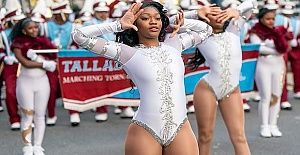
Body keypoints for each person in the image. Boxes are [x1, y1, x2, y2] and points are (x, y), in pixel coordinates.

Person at [72, 2, 216, 154]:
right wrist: (118, 25)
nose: (153, 22)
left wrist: (178, 19)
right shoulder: (125, 52)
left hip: (181, 128)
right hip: (145, 130)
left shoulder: (175, 44)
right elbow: (79, 36)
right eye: (146, 18)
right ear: (134, 22)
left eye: (157, 18)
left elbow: (207, 29)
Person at [185, 0, 256, 154]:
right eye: (212, 14)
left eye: (220, 13)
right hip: (207, 89)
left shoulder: (234, 28)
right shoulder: (200, 37)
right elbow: (170, 23)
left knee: (239, 137)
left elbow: (253, 3)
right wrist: (196, 13)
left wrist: (236, 10)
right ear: (205, 19)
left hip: (232, 90)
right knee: (205, 137)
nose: (218, 17)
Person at [10, 18, 57, 155]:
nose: (34, 30)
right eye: (30, 28)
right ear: (24, 30)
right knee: (27, 115)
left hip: (42, 82)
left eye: (35, 27)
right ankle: (27, 146)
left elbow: (54, 57)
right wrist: (42, 63)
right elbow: (25, 63)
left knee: (40, 116)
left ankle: (38, 146)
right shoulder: (18, 43)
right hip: (25, 82)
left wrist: (48, 62)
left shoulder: (44, 41)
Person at [249, 7, 288, 138]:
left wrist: (270, 46)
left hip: (278, 65)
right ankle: (264, 125)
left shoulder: (278, 31)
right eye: (268, 19)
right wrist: (275, 48)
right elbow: (258, 48)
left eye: (273, 19)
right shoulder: (256, 31)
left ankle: (273, 125)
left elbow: (286, 47)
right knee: (265, 96)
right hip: (264, 65)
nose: (271, 22)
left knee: (276, 95)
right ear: (261, 19)